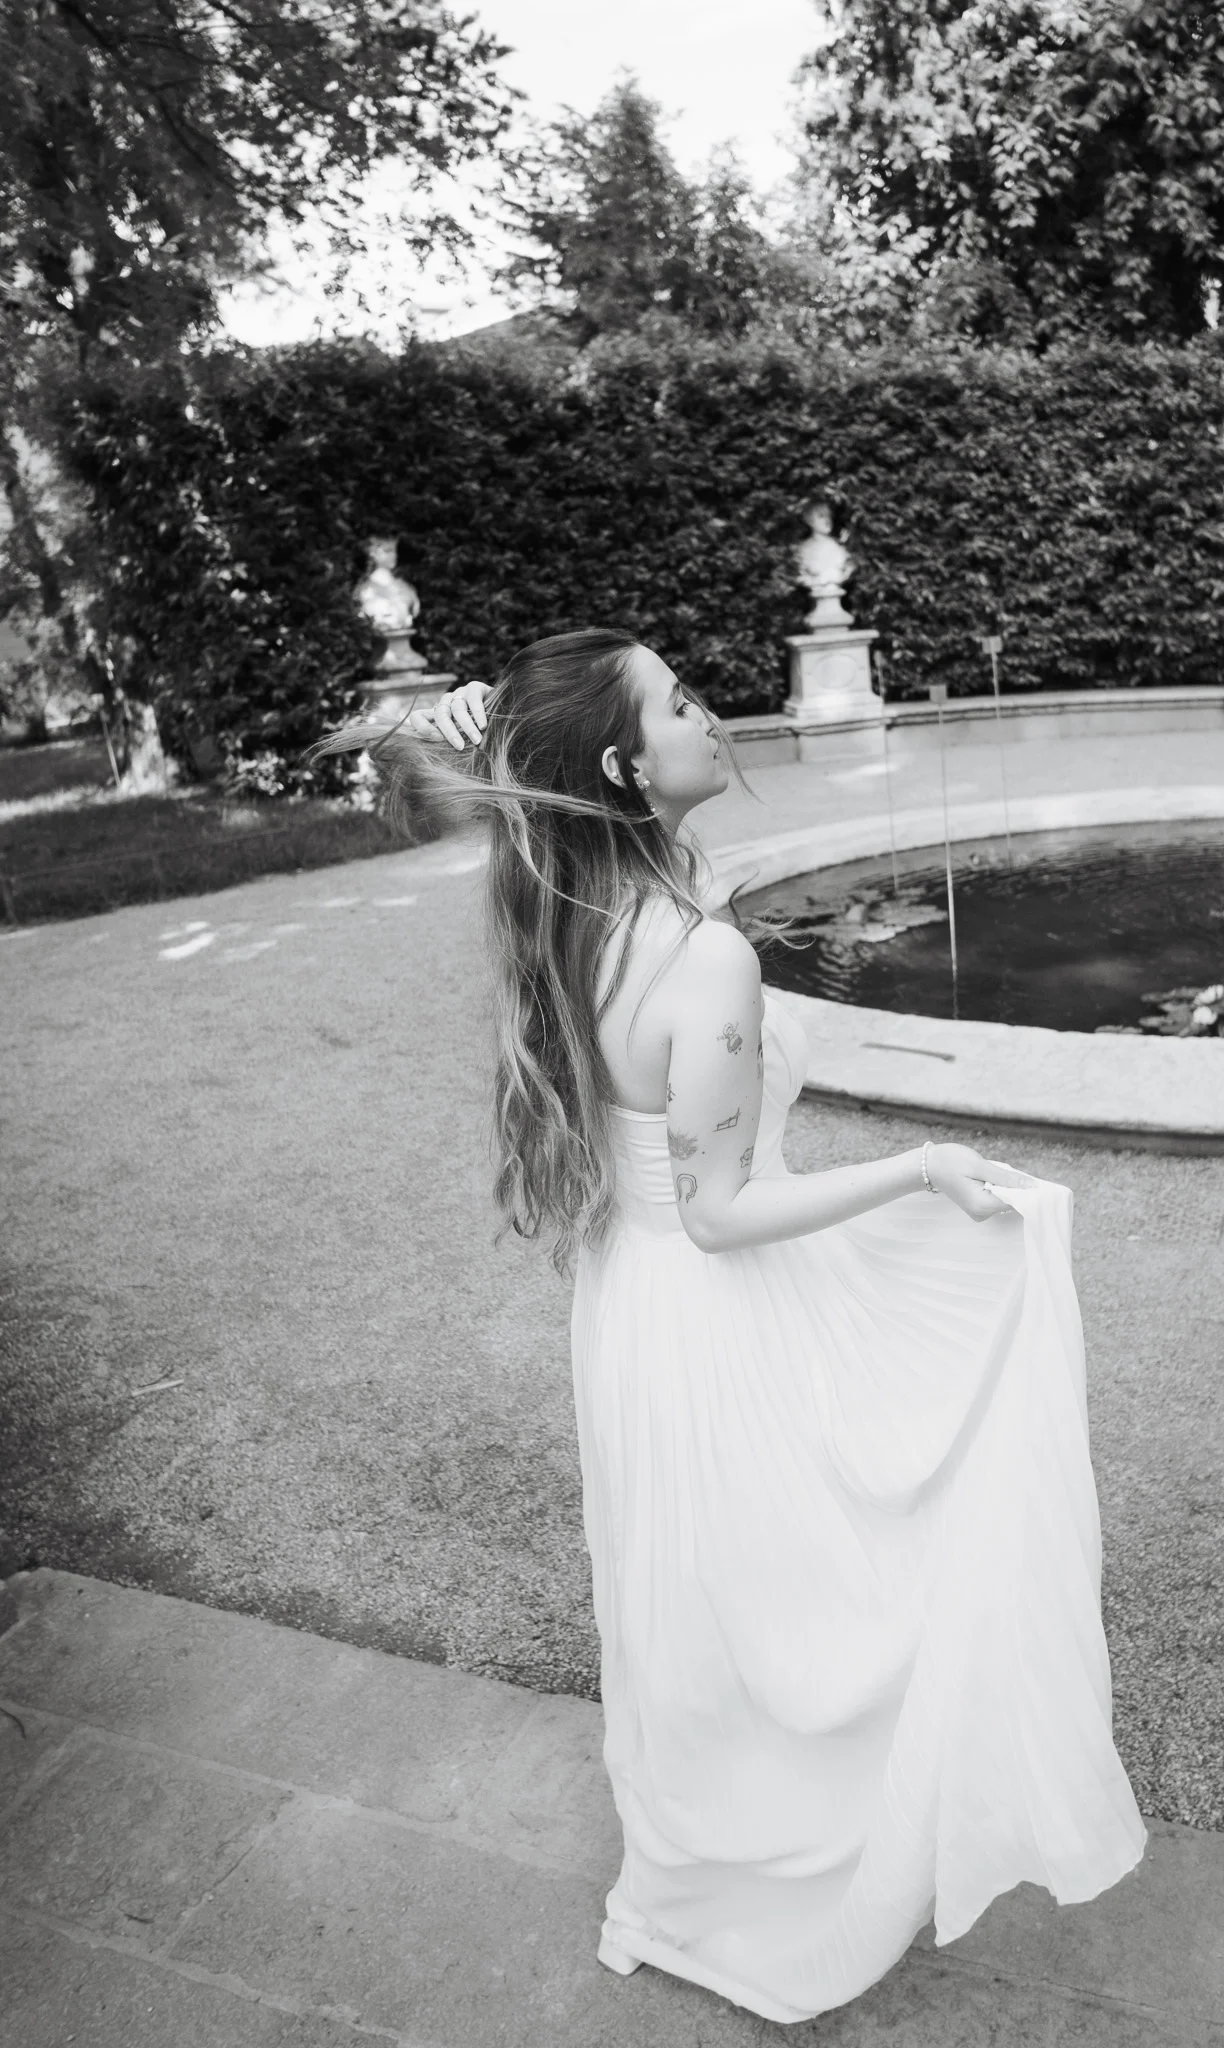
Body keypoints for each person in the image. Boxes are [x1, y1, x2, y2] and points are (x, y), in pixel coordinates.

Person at [341, 629, 1146, 2025]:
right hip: (714, 1308)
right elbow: (721, 1212)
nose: (712, 714)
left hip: (633, 1305)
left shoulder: (570, 900)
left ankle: (700, 1882)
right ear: (622, 765)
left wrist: (477, 732)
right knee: (805, 1599)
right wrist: (922, 1169)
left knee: (706, 1605)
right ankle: (783, 1903)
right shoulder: (698, 951)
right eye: (680, 702)